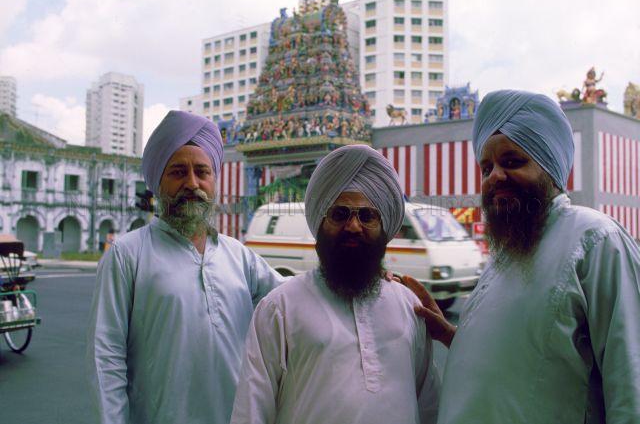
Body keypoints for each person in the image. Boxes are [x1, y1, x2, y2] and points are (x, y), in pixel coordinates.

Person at [404, 90, 640, 423]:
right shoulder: (507, 252)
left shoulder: (596, 240)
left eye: (512, 162)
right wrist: (450, 336)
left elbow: (631, 385)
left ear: (550, 167)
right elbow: (522, 359)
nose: (495, 176)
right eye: (486, 168)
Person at [86, 111, 283, 424]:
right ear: (158, 182)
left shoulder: (239, 256)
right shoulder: (127, 254)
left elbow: (298, 301)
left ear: (214, 180)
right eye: (178, 172)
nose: (192, 183)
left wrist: (373, 282)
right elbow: (106, 358)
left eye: (202, 171)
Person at [230, 145, 440, 424]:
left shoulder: (409, 306)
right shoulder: (278, 308)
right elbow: (251, 413)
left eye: (367, 216)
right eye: (340, 214)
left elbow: (429, 407)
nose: (354, 226)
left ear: (384, 229)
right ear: (319, 225)